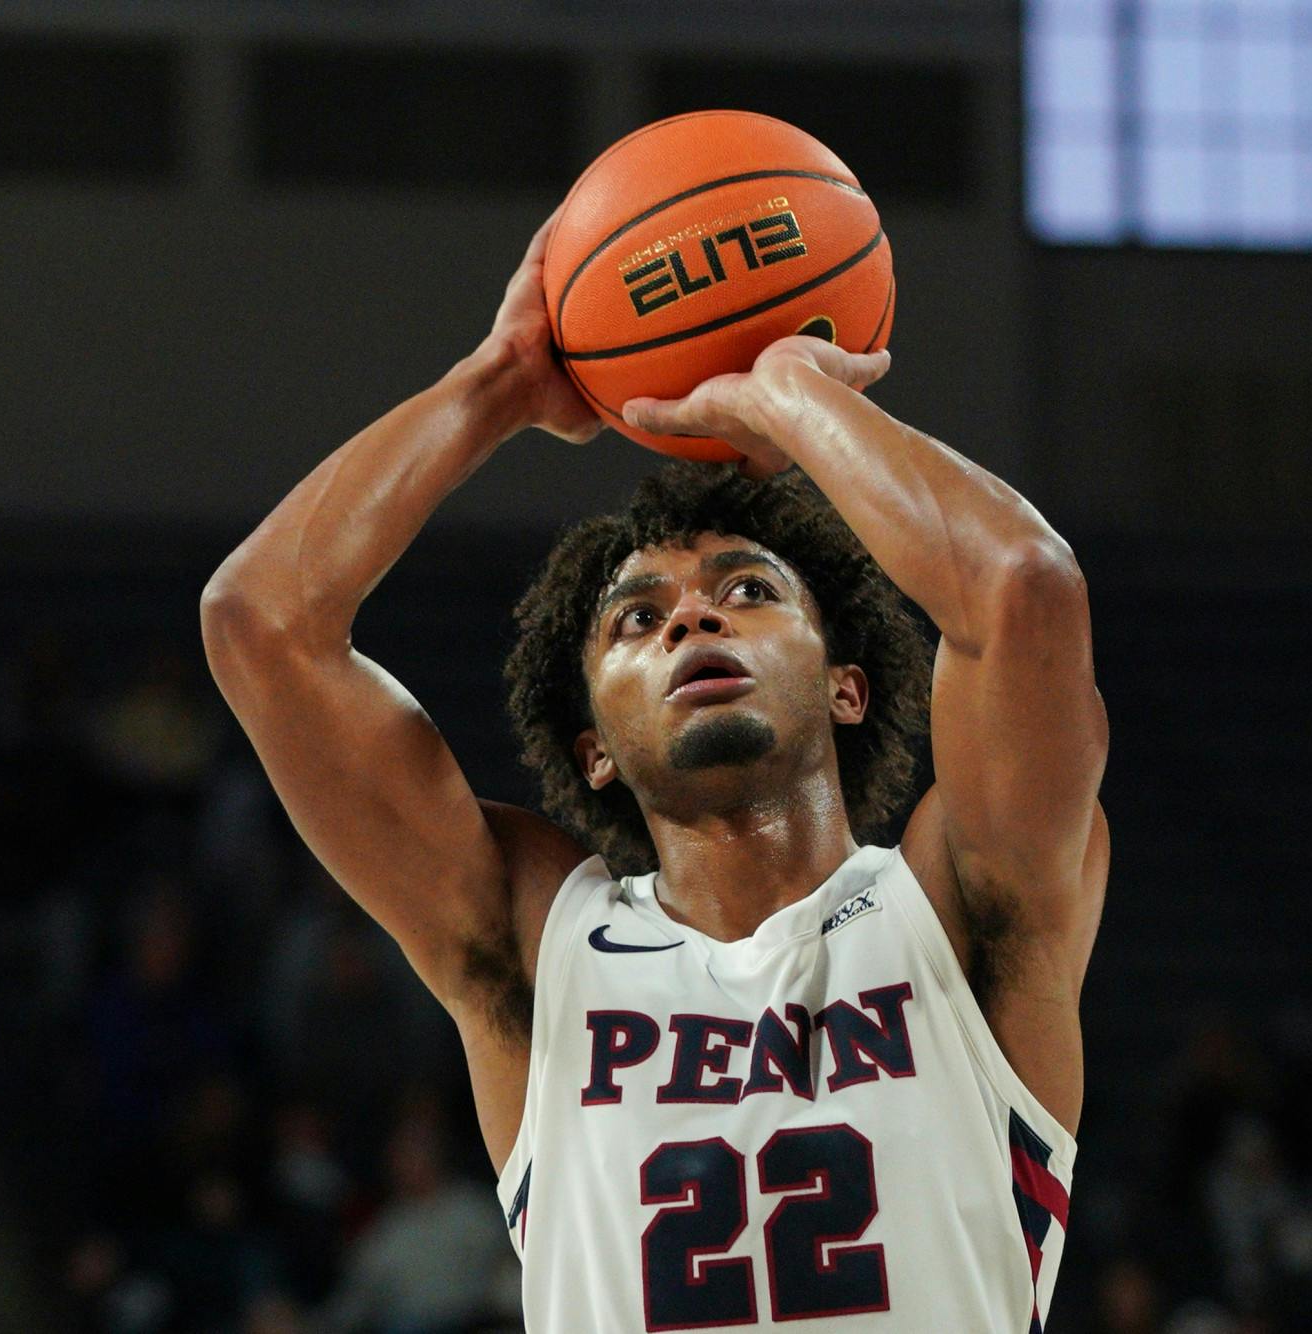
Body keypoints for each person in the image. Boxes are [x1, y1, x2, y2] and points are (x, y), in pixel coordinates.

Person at [200, 212, 1109, 1330]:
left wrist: (792, 397)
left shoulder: (963, 899)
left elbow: (1022, 588)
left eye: (748, 590)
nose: (691, 618)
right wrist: (497, 384)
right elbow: (259, 623)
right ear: (592, 744)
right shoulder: (535, 944)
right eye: (637, 618)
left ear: (845, 683)